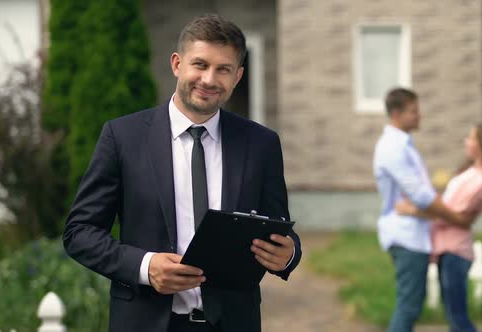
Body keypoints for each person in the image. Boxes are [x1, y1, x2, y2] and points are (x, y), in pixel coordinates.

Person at [63, 14, 302, 332]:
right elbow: (80, 232)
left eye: (223, 69)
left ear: (238, 76)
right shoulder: (123, 137)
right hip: (146, 322)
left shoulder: (262, 144)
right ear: (177, 64)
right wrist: (146, 267)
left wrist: (289, 254)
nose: (209, 79)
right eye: (200, 64)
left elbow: (278, 229)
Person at [373, 87, 470, 332]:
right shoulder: (393, 148)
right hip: (405, 235)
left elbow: (420, 198)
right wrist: (457, 217)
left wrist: (431, 210)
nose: (419, 116)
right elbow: (421, 195)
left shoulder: (404, 144)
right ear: (397, 113)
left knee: (412, 304)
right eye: (413, 111)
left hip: (414, 234)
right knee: (409, 306)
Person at [396, 123, 482, 332]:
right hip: (447, 250)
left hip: (455, 252)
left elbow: (451, 215)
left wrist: (413, 209)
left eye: (471, 138)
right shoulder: (472, 172)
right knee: (454, 316)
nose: (466, 141)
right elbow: (448, 209)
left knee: (457, 317)